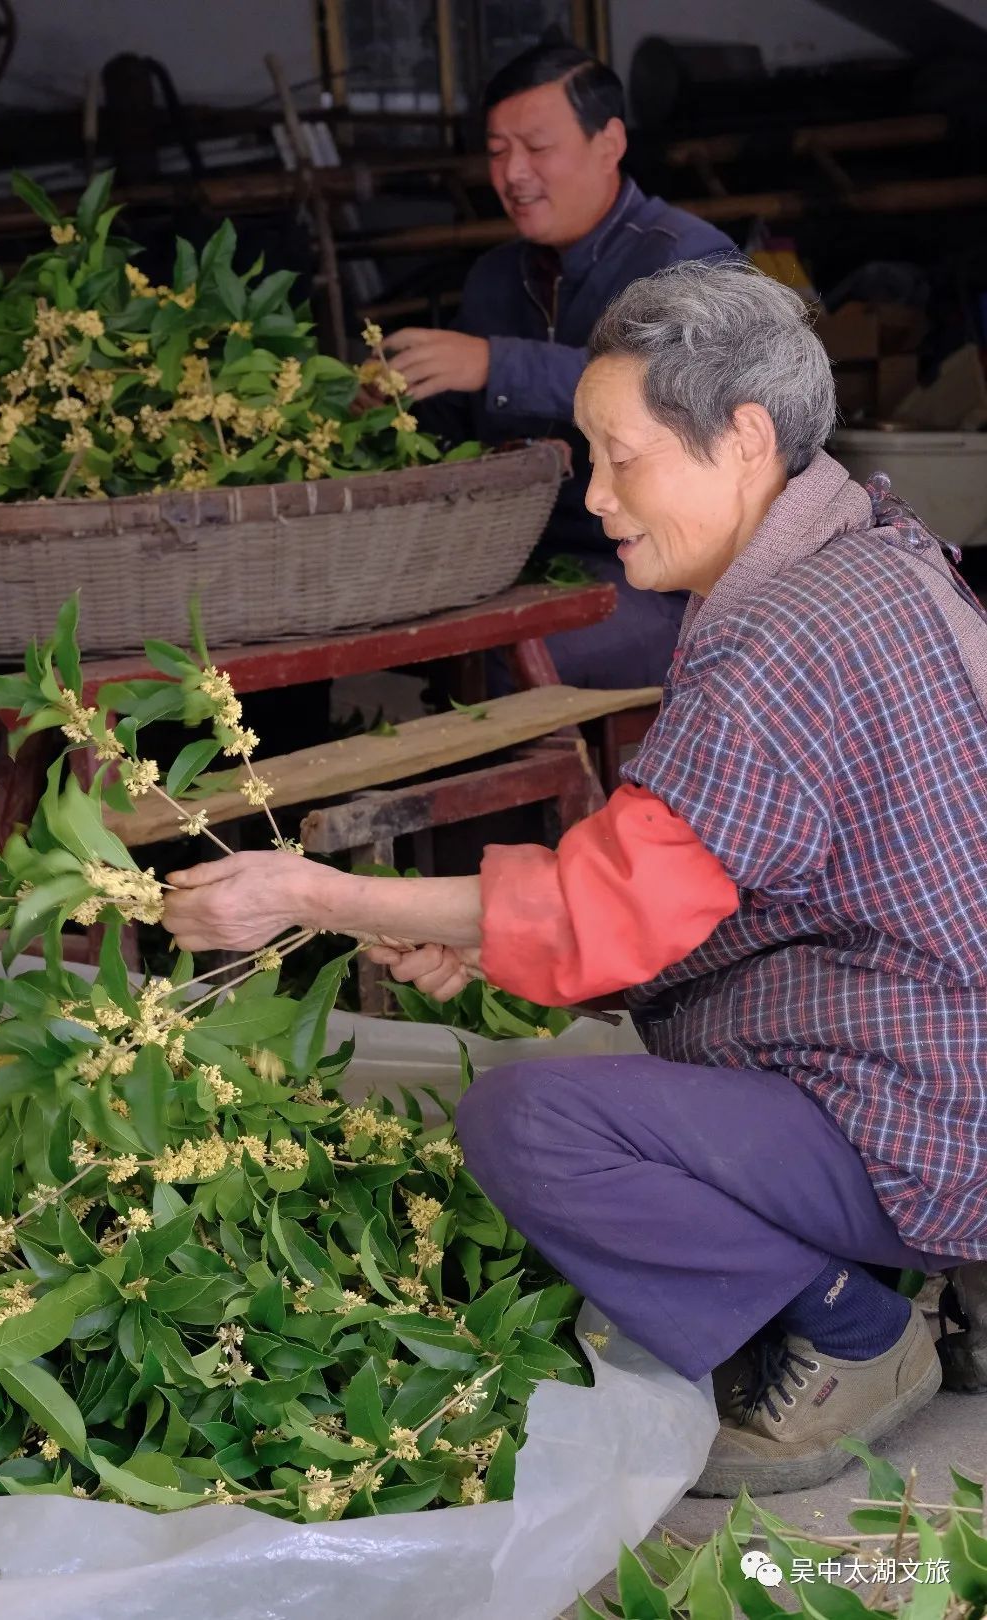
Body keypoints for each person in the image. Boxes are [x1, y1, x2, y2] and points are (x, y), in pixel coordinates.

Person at [162, 260, 987, 1497]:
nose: (596, 496)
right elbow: (695, 880)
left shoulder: (786, 639)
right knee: (622, 1044)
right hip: (949, 1065)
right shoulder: (876, 551)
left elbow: (605, 910)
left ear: (745, 437)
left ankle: (855, 1331)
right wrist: (497, 933)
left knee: (532, 1124)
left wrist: (313, 895)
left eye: (621, 456)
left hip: (929, 1112)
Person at [381, 42, 735, 690]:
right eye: (496, 151)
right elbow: (456, 430)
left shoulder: (692, 257)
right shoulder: (495, 277)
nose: (513, 173)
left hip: (675, 587)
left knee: (496, 657)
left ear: (610, 143)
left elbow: (680, 395)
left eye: (537, 147)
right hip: (527, 562)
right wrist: (397, 401)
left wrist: (497, 364)